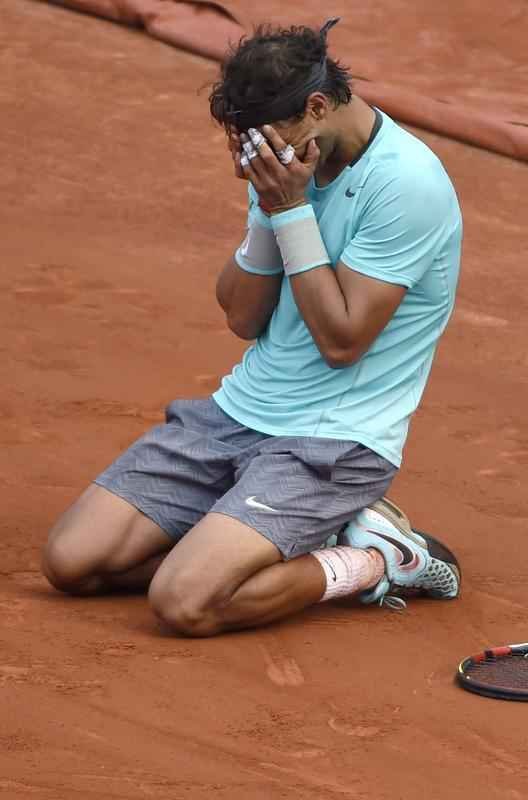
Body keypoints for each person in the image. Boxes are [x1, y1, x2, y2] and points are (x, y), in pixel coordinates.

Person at [41, 19, 463, 636]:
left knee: (185, 602)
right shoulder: (284, 164)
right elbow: (242, 317)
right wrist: (274, 211)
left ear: (316, 107)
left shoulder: (407, 185)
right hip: (237, 415)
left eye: (260, 139)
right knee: (71, 561)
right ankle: (237, 537)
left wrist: (289, 209)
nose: (252, 156)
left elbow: (342, 341)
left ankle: (380, 558)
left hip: (332, 442)